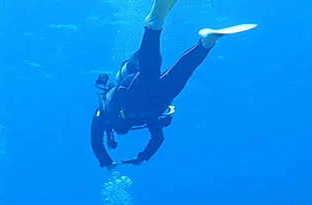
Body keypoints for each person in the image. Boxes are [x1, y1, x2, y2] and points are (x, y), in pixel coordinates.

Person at [90, 0, 256, 169]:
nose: (122, 130)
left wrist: (107, 162)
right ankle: (206, 42)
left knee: (153, 72)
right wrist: (143, 157)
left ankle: (154, 26)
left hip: (133, 95)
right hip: (155, 102)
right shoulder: (148, 118)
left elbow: (96, 141)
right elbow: (157, 139)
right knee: (180, 73)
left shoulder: (104, 111)